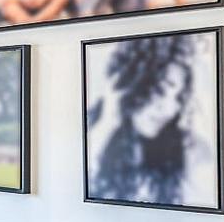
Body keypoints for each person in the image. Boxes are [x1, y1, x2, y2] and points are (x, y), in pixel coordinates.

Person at [87, 34, 215, 207]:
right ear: (131, 84)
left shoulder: (192, 150)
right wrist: (107, 124)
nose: (170, 109)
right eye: (160, 91)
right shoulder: (90, 131)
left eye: (178, 97)